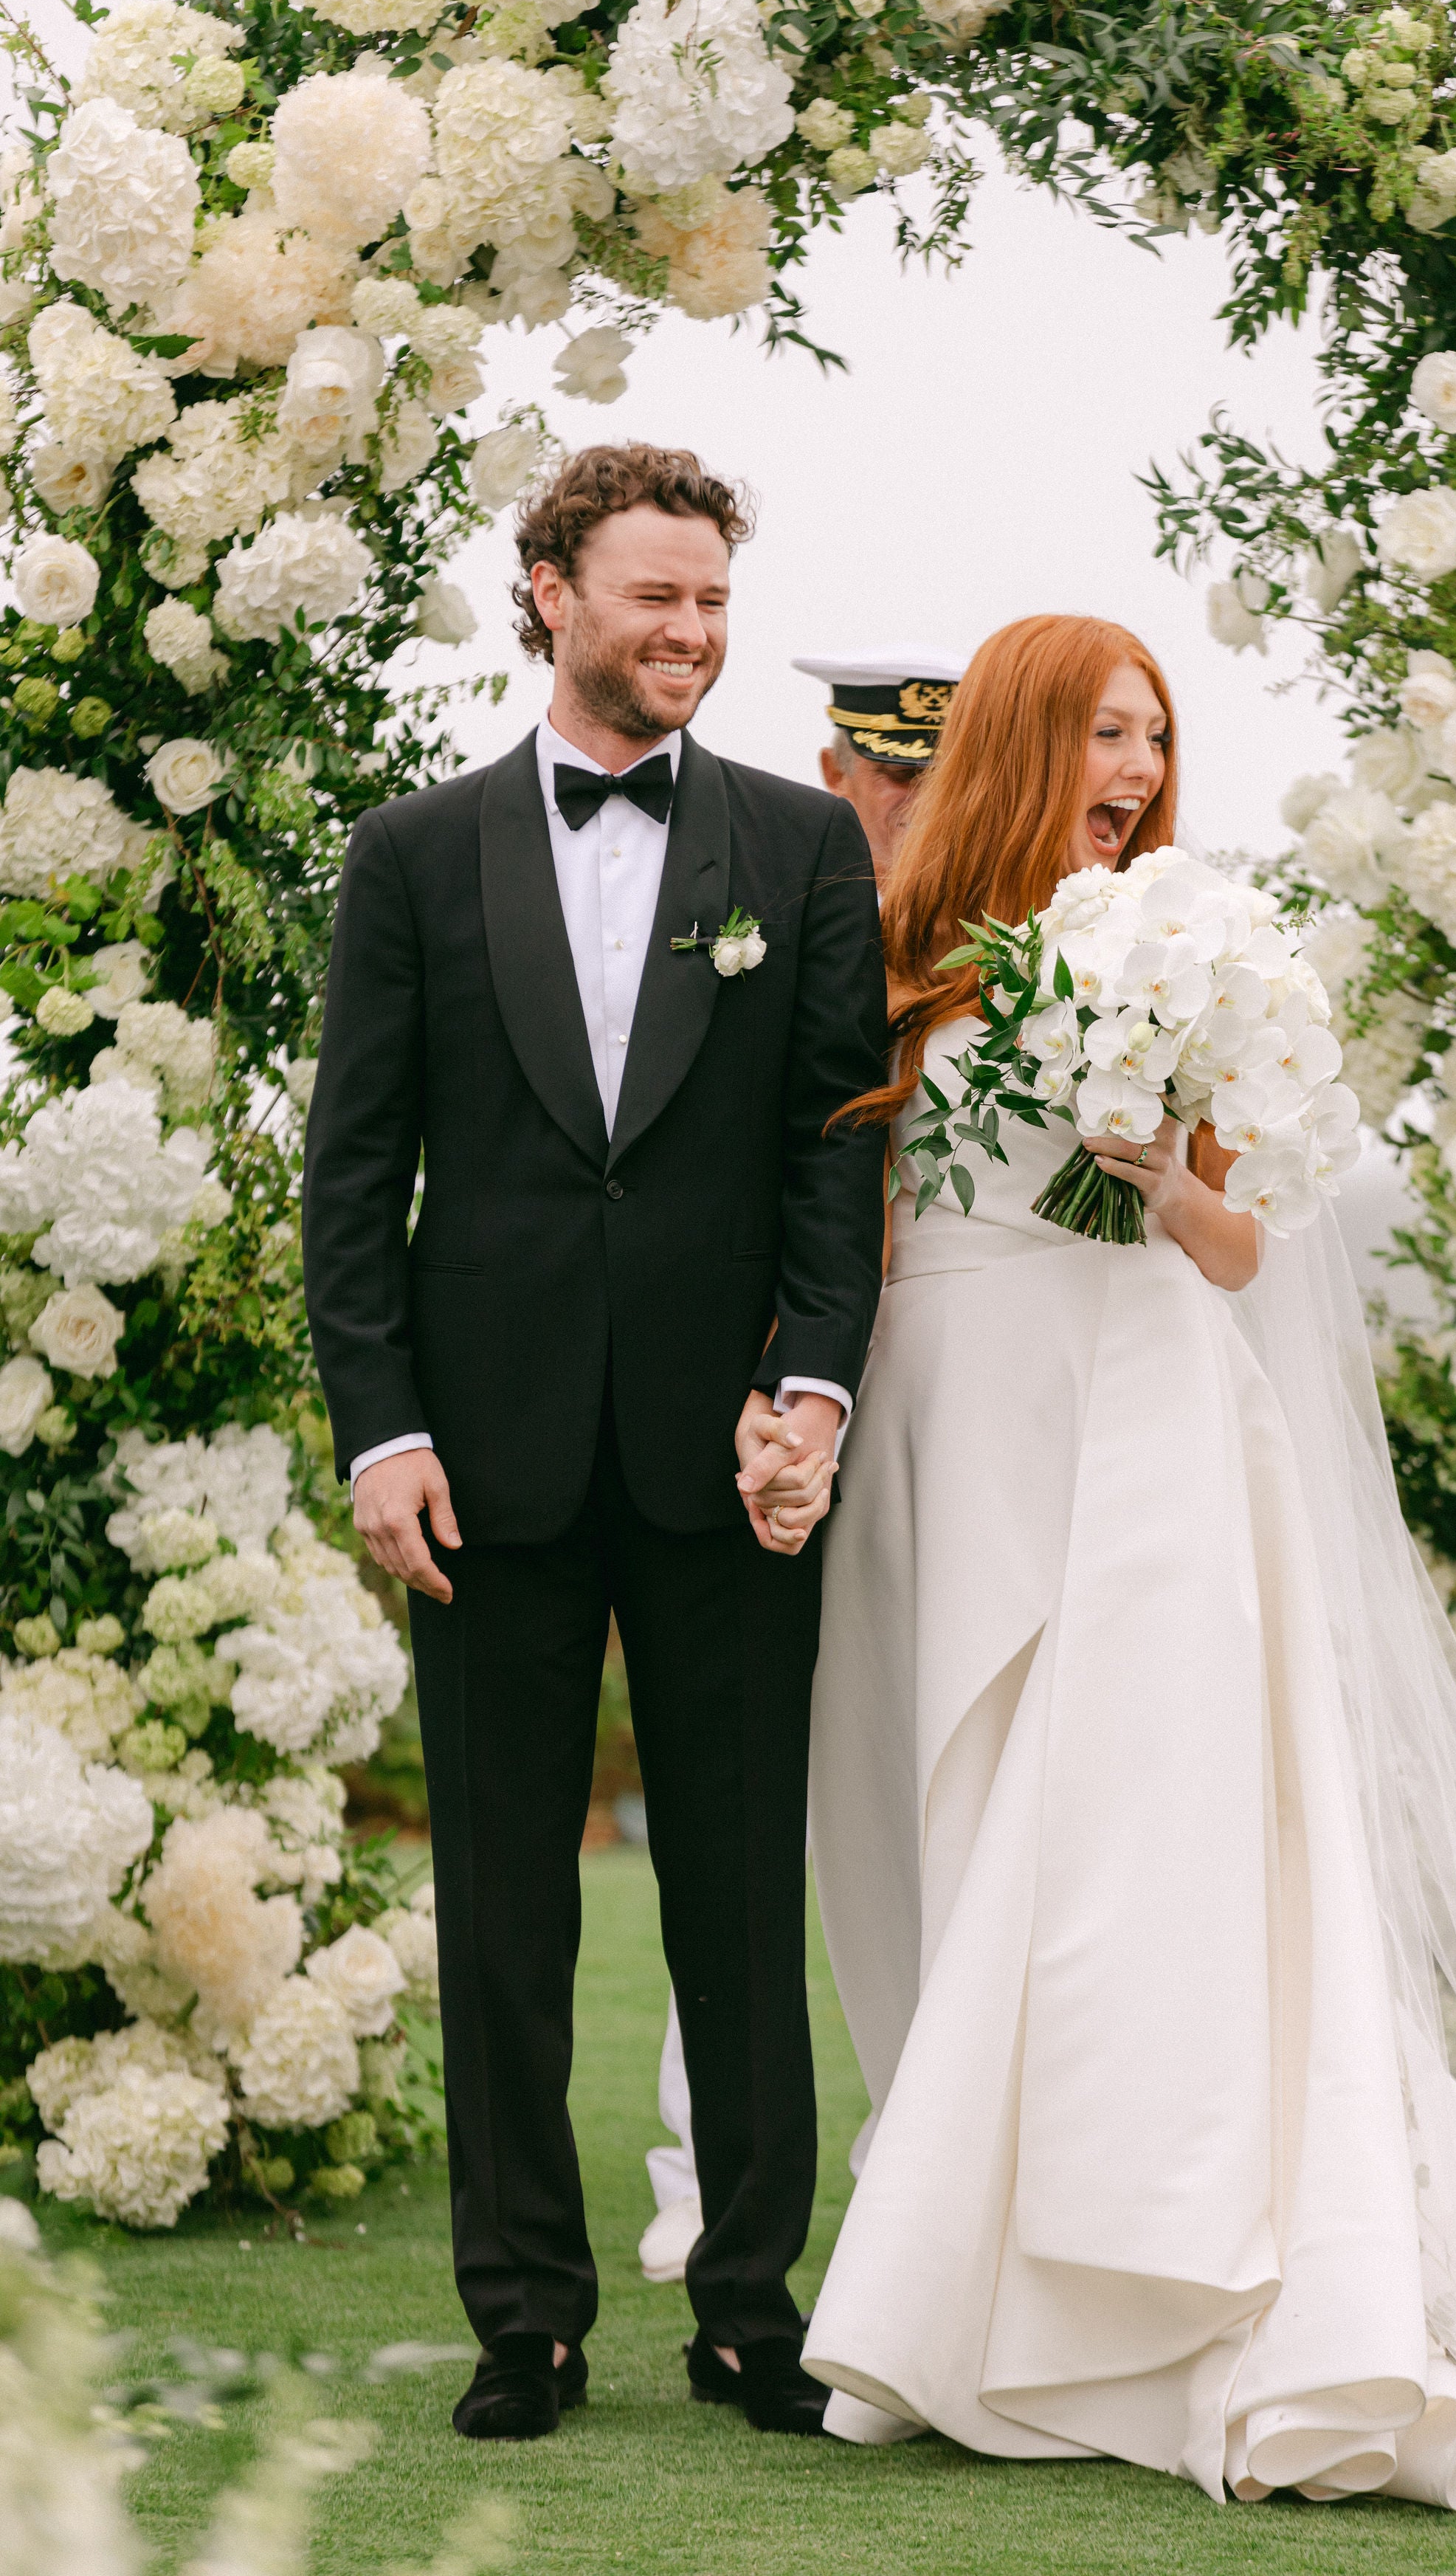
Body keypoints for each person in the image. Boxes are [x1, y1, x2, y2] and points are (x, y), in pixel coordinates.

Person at [801, 613, 1456, 2565]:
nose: (1138, 772)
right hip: (941, 1437)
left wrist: (1154, 1175)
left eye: (1156, 737)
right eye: (1105, 734)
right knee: (949, 1830)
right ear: (1022, 744)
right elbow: (863, 1219)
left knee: (1103, 1861)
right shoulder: (899, 964)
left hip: (1145, 1439)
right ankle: (981, 2272)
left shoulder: (1189, 945)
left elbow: (1240, 1250)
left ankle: (1152, 2282)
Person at [302, 442, 886, 2444]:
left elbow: (831, 1156)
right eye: (654, 594)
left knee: (735, 1898)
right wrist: (382, 1430)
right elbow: (355, 1171)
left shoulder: (803, 849)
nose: (689, 631)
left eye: (711, 598)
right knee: (504, 1912)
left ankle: (747, 2310)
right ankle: (526, 2317)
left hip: (728, 1464)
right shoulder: (413, 854)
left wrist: (811, 1389)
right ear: (550, 591)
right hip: (487, 1460)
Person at [635, 635, 965, 2291]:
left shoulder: (1015, 957)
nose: (906, 807)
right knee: (739, 1799)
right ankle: (698, 2174)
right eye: (885, 775)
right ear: (837, 774)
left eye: (933, 778)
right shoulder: (750, 907)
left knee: (937, 1784)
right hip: (761, 1412)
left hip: (946, 1411)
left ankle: (939, 2169)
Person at [792, 645, 964, 886]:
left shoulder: (1014, 902)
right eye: (904, 774)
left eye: (953, 777)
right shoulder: (783, 896)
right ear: (836, 773)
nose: (929, 799)